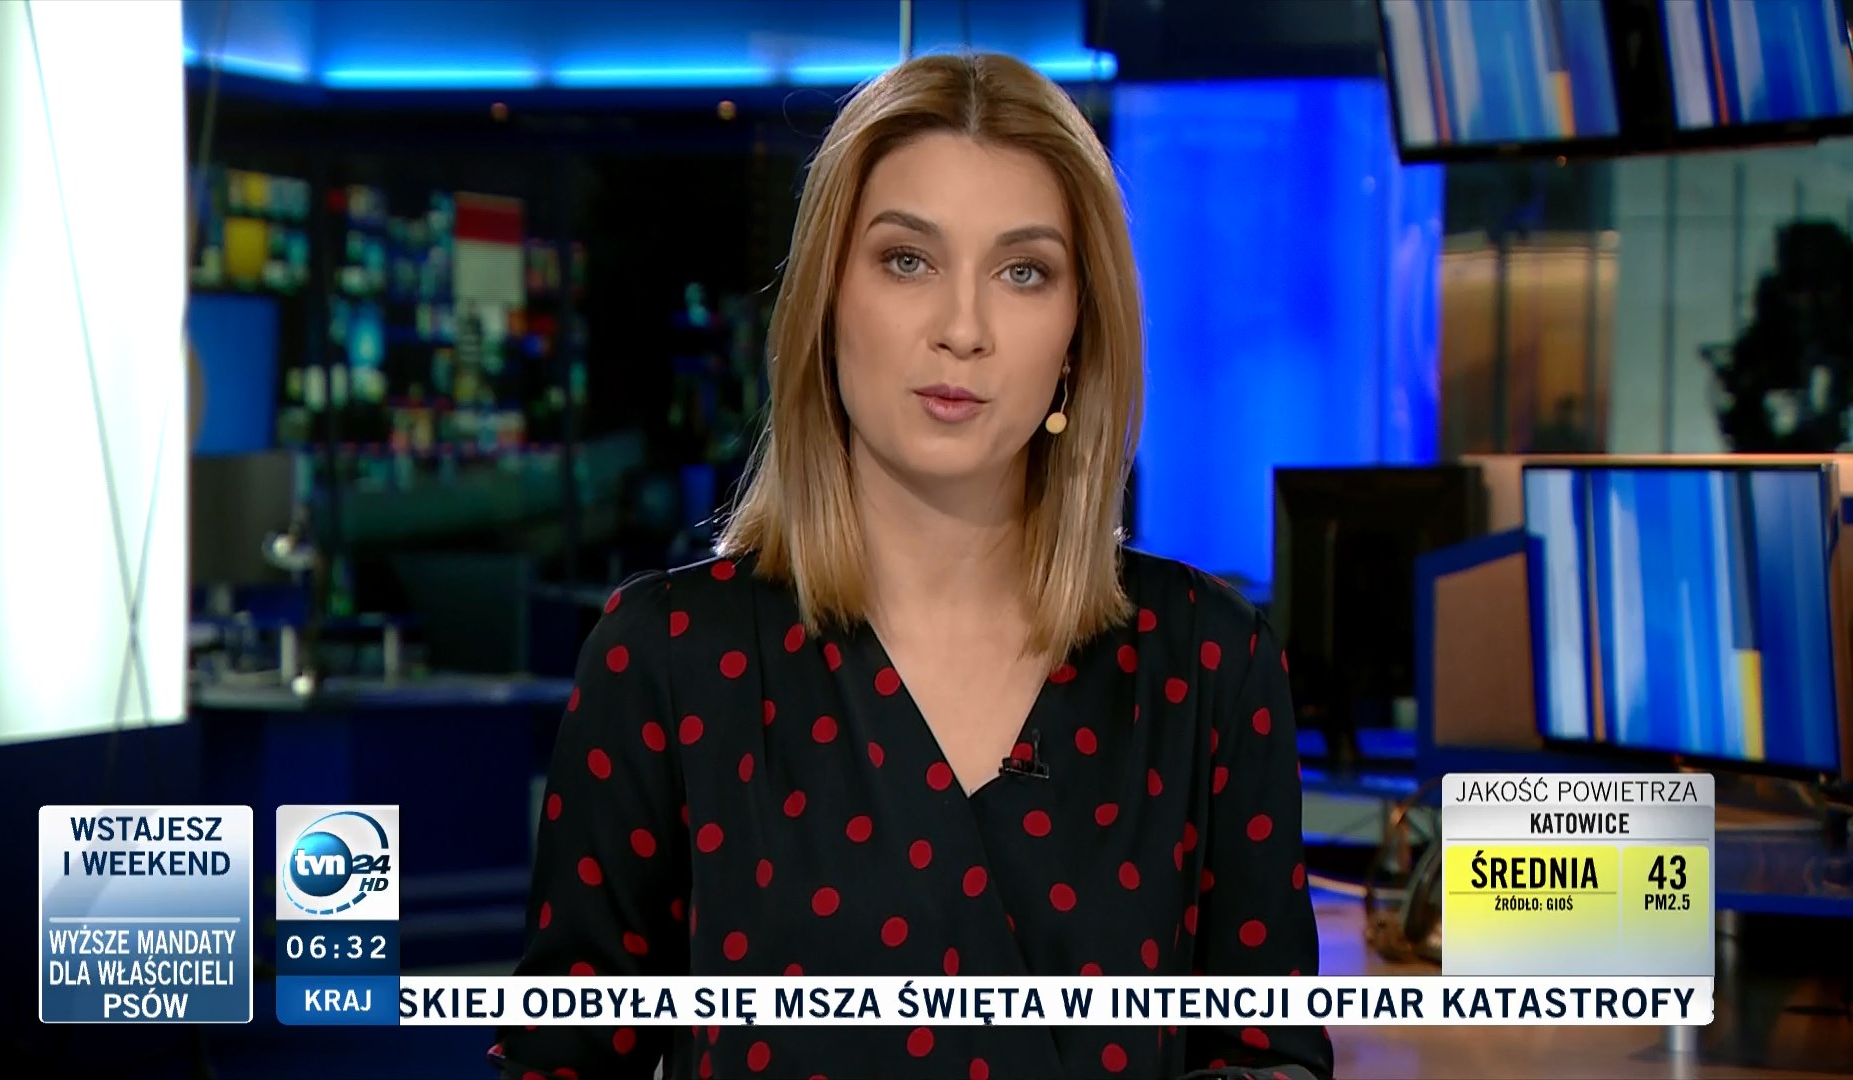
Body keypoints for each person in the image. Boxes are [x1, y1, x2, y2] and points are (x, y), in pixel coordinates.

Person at [492, 51, 1334, 1080]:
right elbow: (564, 1059)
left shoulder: (1207, 665)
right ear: (827, 301)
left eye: (1023, 272)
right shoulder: (666, 659)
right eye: (907, 261)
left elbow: (1271, 1053)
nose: (962, 330)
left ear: (1077, 334)